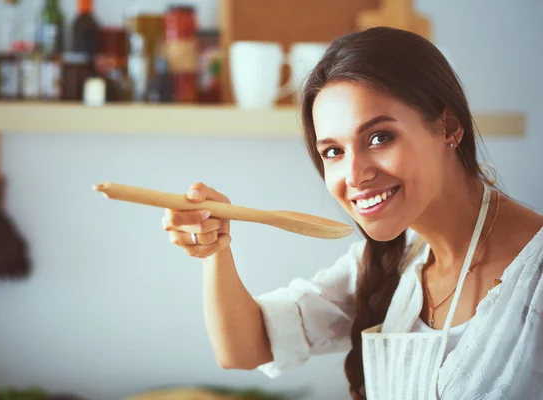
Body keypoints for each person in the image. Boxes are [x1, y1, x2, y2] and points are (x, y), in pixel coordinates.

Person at [161, 27, 543, 400]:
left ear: (448, 127)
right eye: (333, 152)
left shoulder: (534, 274)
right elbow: (245, 349)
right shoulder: (391, 259)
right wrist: (215, 249)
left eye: (379, 137)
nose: (355, 175)